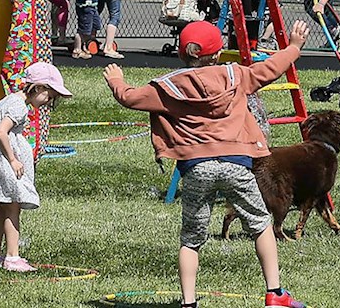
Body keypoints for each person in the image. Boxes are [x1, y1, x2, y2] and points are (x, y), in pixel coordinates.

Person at [104, 19, 311, 308]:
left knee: (191, 238)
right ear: (218, 54)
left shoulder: (167, 87)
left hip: (196, 168)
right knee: (261, 224)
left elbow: (130, 98)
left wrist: (116, 80)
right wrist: (293, 47)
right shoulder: (236, 75)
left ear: (181, 53)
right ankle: (275, 294)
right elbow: (269, 70)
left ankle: (188, 303)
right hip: (237, 164)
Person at [0, 62, 71, 272]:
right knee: (13, 206)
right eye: (49, 97)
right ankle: (13, 257)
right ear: (39, 88)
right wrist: (13, 159)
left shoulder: (8, 99)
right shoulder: (18, 106)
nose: (48, 102)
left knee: (1, 209)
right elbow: (0, 132)